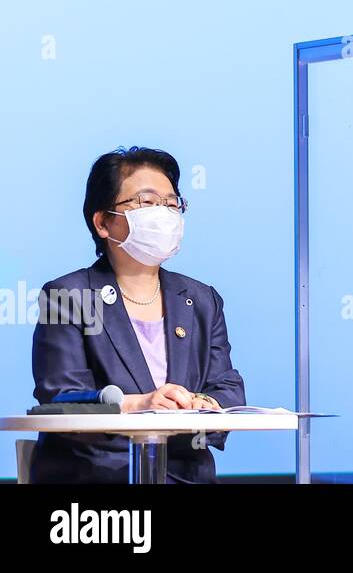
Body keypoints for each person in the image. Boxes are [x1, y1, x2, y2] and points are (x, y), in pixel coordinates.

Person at [30, 147, 246, 483]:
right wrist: (140, 404)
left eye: (172, 204)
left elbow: (228, 388)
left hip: (184, 474)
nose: (164, 214)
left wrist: (200, 402)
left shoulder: (202, 300)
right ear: (103, 222)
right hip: (97, 479)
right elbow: (60, 399)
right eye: (147, 203)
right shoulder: (66, 296)